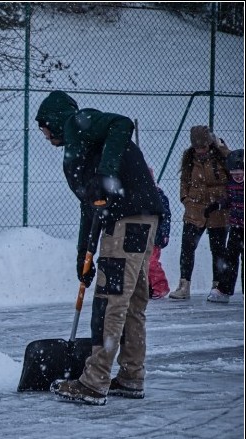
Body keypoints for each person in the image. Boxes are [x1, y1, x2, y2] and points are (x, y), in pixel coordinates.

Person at [35, 91, 165, 406]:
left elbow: (122, 123)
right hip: (142, 219)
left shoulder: (78, 125)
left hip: (127, 220)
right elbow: (90, 208)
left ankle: (94, 382)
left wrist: (107, 173)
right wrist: (84, 256)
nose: (45, 135)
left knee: (110, 301)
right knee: (132, 301)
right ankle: (131, 376)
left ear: (54, 118)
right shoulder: (82, 146)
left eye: (44, 127)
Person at [169, 125, 231, 300]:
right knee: (187, 247)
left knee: (218, 249)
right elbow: (184, 181)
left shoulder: (221, 156)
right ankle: (184, 285)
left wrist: (223, 148)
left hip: (217, 210)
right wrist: (186, 200)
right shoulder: (189, 158)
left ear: (210, 144)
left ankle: (217, 286)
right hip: (195, 209)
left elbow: (235, 170)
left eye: (203, 147)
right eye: (197, 147)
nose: (200, 151)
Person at [205, 148, 244, 302]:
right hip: (236, 227)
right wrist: (216, 206)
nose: (238, 176)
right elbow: (228, 201)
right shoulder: (230, 185)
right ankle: (224, 290)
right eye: (235, 174)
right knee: (230, 258)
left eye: (241, 173)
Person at [147, 170, 172, 299]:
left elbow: (166, 217)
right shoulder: (137, 196)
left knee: (151, 262)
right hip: (142, 236)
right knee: (142, 264)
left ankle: (161, 287)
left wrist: (164, 233)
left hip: (155, 236)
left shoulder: (159, 196)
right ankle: (149, 287)